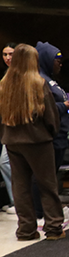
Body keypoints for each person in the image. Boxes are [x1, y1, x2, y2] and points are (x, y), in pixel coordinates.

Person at [0, 44, 65, 241]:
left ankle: (26, 230)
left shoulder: (4, 83)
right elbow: (50, 116)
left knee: (20, 187)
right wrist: (52, 133)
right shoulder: (38, 83)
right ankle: (53, 227)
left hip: (12, 141)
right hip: (38, 140)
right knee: (47, 185)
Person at [1, 43, 16, 213]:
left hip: (16, 125)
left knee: (5, 162)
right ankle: (16, 201)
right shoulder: (6, 74)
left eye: (11, 54)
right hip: (6, 124)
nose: (7, 58)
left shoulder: (21, 75)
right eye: (5, 54)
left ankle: (18, 202)